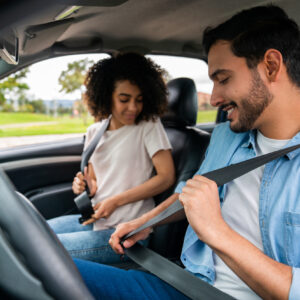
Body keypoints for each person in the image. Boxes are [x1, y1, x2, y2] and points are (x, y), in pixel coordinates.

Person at [73, 5, 300, 300]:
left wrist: (217, 233)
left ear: (270, 66)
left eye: (224, 78)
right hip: (187, 281)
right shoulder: (226, 137)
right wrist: (147, 221)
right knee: (41, 269)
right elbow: (192, 194)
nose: (215, 97)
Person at [48, 52, 175, 264]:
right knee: (33, 232)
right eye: (124, 99)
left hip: (128, 231)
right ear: (107, 96)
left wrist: (116, 201)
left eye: (139, 100)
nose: (133, 108)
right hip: (96, 221)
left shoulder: (148, 126)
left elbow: (166, 177)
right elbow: (95, 182)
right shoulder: (94, 131)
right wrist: (82, 185)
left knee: (41, 251)